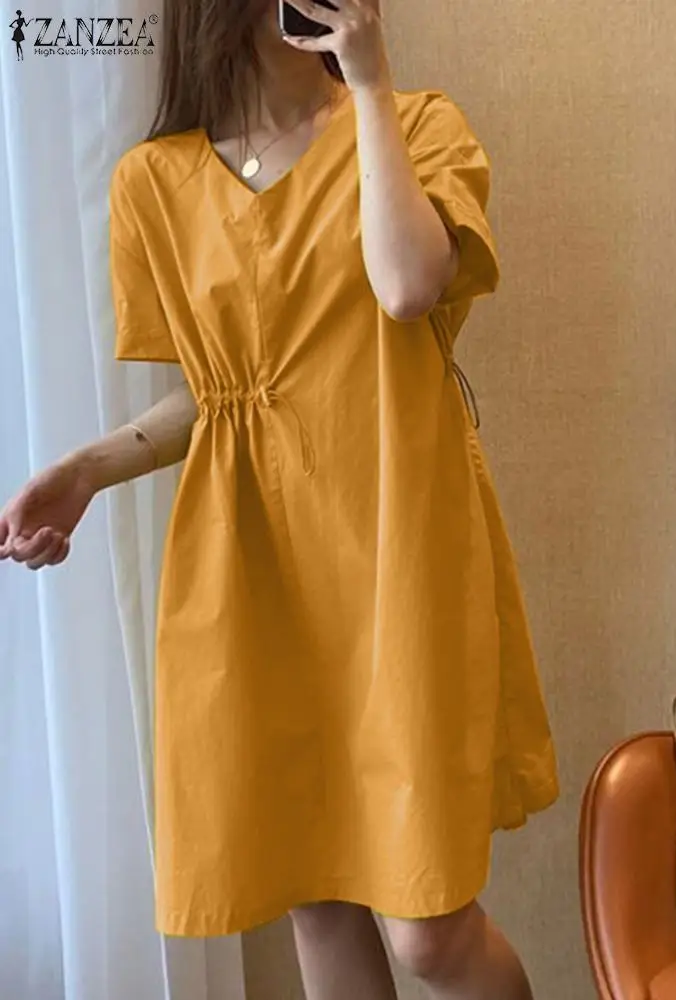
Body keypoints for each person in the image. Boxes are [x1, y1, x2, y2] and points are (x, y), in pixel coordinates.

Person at [0, 1, 559, 996]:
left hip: (397, 555)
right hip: (252, 573)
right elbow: (225, 394)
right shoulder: (153, 181)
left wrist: (371, 85)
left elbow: (407, 286)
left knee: (430, 933)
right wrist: (88, 469)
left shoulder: (419, 124)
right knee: (315, 894)